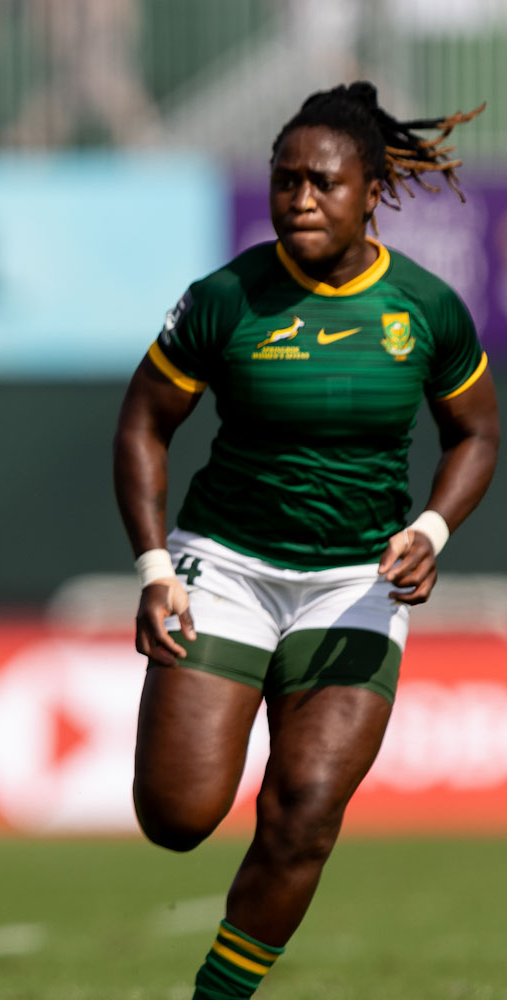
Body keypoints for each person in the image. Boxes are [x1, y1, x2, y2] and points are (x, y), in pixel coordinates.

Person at [114, 82, 496, 1000]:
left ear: (371, 192)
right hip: (227, 567)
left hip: (357, 584)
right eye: (286, 182)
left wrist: (433, 528)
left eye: (322, 183)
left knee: (305, 812)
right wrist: (157, 570)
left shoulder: (424, 308)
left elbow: (477, 433)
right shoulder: (226, 298)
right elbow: (141, 424)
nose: (299, 201)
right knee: (177, 815)